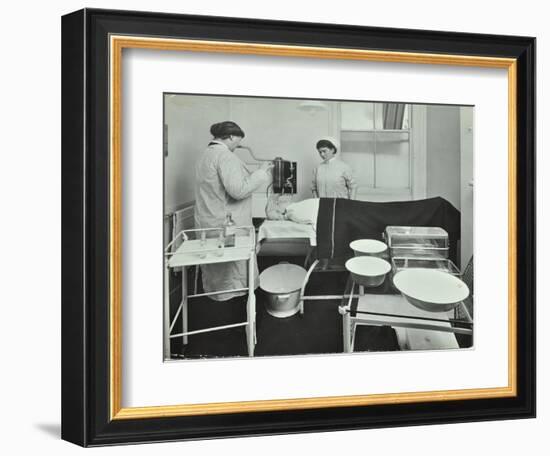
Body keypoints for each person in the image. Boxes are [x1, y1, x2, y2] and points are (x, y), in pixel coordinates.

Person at [194, 121, 273, 301]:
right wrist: (262, 172)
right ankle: (235, 313)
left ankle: (220, 304)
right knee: (232, 276)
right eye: (238, 141)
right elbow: (238, 191)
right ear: (231, 137)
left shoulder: (205, 155)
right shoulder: (225, 156)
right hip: (228, 225)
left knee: (217, 274)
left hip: (209, 221)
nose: (239, 145)